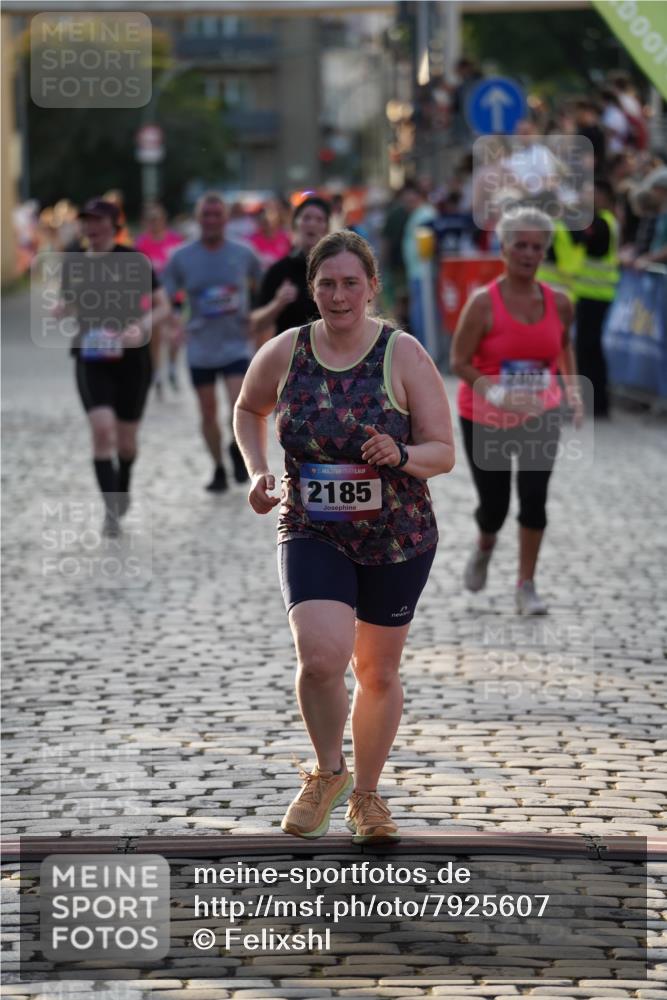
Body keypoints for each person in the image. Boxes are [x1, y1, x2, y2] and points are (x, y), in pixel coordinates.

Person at [233, 230, 454, 843]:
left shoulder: (403, 354)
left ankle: (367, 798)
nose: (338, 295)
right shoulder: (286, 351)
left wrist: (402, 451)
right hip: (311, 526)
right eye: (326, 283)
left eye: (350, 283)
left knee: (377, 673)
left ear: (371, 287)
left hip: (397, 535)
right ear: (312, 289)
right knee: (321, 656)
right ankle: (328, 772)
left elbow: (443, 452)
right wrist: (257, 472)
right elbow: (249, 409)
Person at [450, 206, 583, 615]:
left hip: (540, 413)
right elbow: (458, 360)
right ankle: (485, 543)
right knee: (495, 506)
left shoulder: (559, 303)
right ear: (503, 248)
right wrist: (494, 392)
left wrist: (573, 392)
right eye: (520, 245)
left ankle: (526, 585)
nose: (528, 253)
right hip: (484, 415)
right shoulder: (482, 304)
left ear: (545, 253)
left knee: (534, 499)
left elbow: (563, 348)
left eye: (536, 247)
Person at [56, 198, 170, 534]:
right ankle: (111, 511)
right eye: (86, 220)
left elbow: (163, 307)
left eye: (98, 220)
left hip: (133, 360)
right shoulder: (73, 261)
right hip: (91, 357)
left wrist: (143, 325)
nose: (91, 226)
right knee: (102, 430)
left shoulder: (134, 261)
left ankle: (124, 482)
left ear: (113, 224)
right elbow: (69, 298)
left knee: (126, 443)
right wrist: (63, 306)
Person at [163, 192, 263, 492]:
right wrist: (174, 326)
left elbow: (262, 287)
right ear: (198, 219)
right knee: (207, 411)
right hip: (200, 348)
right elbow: (164, 298)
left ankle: (236, 448)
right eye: (205, 215)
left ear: (225, 219)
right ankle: (218, 467)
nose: (211, 221)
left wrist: (255, 318)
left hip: (235, 344)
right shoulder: (182, 257)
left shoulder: (243, 253)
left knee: (236, 405)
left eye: (216, 215)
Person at [251, 195, 330, 346]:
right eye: (306, 218)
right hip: (288, 356)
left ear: (327, 228)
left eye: (319, 219)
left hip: (329, 355)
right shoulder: (279, 270)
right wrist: (277, 303)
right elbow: (255, 323)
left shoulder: (336, 270)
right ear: (295, 224)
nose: (312, 224)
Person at [570, 178, 620, 418]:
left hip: (596, 295)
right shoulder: (601, 220)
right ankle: (595, 403)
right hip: (590, 295)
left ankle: (597, 403)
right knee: (588, 349)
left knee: (589, 350)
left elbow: (583, 240)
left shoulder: (601, 222)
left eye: (594, 195)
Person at [135, 203, 185, 395]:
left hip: (174, 295)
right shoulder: (141, 243)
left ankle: (172, 367)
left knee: (175, 334)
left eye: (157, 218)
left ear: (164, 220)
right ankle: (156, 372)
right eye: (150, 219)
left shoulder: (175, 241)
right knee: (155, 336)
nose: (154, 222)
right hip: (151, 296)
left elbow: (182, 268)